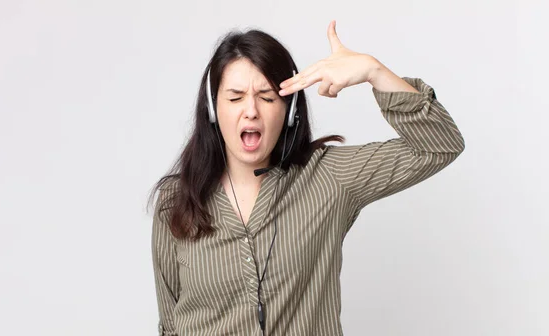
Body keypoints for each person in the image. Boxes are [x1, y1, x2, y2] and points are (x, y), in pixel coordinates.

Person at [149, 20, 465, 336]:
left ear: (289, 112)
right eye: (234, 98)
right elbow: (171, 326)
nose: (251, 110)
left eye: (267, 96)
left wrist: (374, 71)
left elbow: (439, 146)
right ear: (214, 111)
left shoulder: (329, 176)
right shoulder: (175, 200)